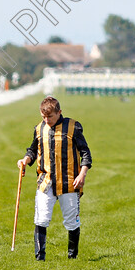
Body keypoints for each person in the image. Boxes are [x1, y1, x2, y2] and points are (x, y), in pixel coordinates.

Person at [16, 96, 91, 260]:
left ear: (59, 112)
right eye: (43, 117)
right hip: (45, 182)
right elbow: (33, 150)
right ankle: (39, 257)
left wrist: (82, 174)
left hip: (69, 181)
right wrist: (25, 160)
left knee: (72, 222)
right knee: (41, 219)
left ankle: (73, 257)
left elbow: (85, 152)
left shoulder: (73, 127)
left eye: (50, 116)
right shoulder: (39, 128)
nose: (46, 120)